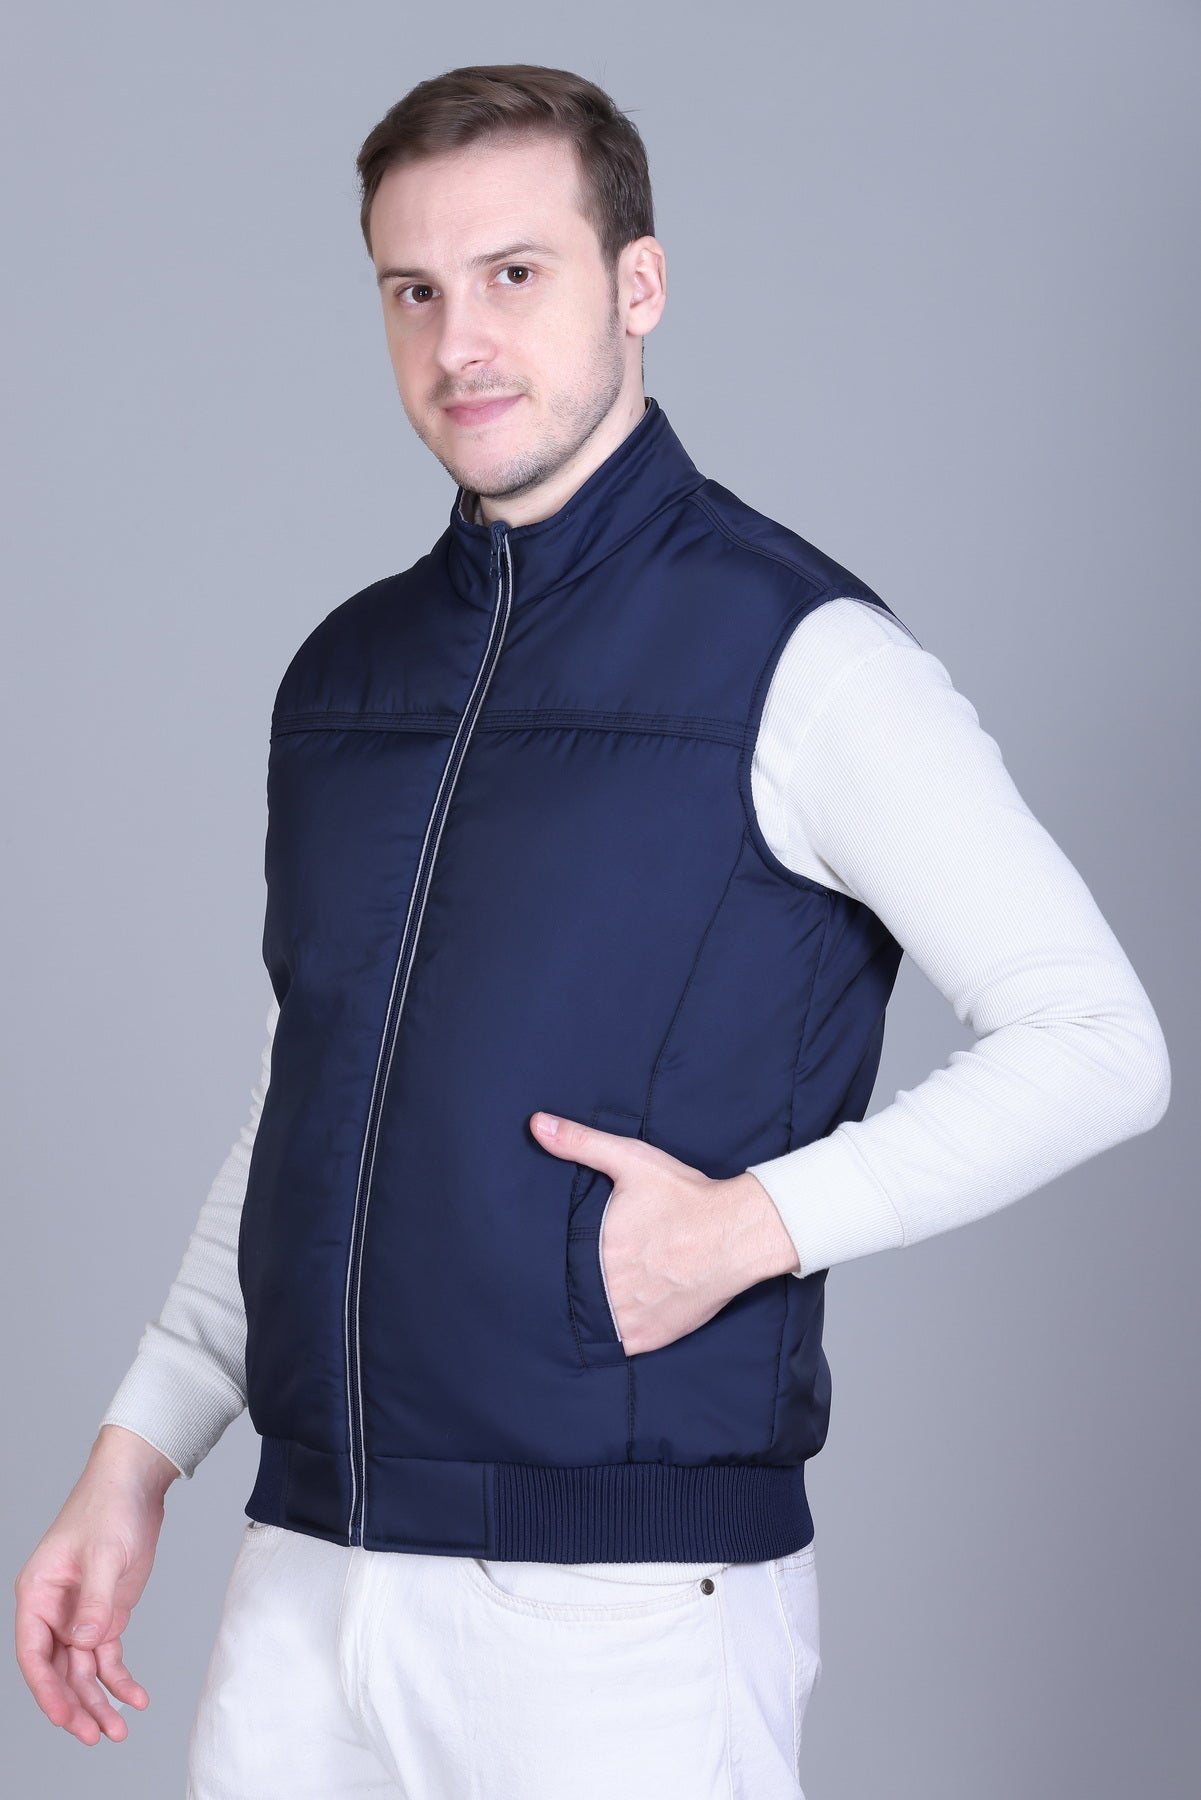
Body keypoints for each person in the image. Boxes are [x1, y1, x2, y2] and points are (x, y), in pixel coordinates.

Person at [15, 62, 1170, 1800]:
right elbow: (306, 1099)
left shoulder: (799, 656)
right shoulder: (344, 681)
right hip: (306, 1577)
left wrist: (749, 1228)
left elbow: (1098, 1044)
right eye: (413, 290)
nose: (459, 341)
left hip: (615, 1615)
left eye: (513, 274)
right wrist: (141, 1446)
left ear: (638, 284)